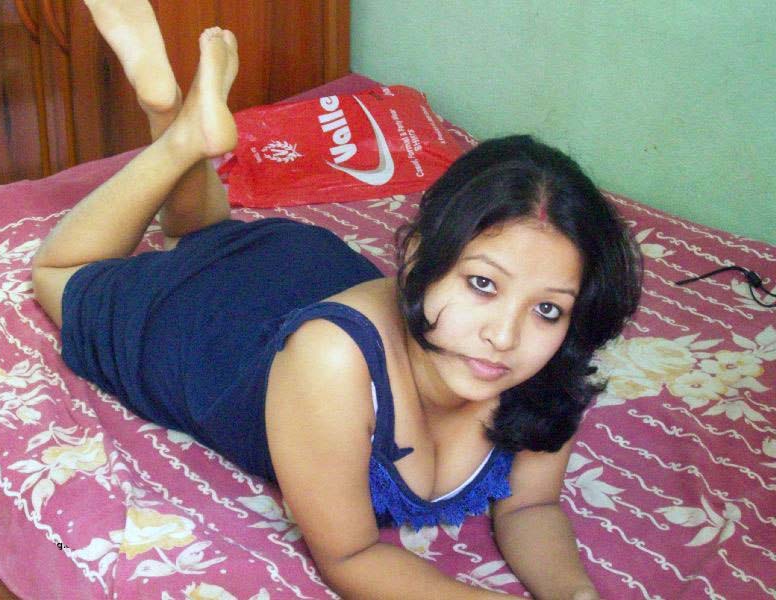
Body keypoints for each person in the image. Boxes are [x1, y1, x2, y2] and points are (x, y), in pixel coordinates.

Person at [31, 2, 642, 598]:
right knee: (58, 272)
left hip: (298, 267)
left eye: (547, 308)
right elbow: (350, 555)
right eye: (482, 284)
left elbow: (532, 506)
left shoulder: (550, 359)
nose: (504, 336)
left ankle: (182, 122)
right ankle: (174, 136)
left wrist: (576, 594)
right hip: (220, 333)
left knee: (203, 235)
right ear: (417, 257)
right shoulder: (328, 360)